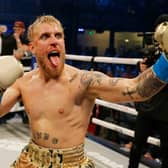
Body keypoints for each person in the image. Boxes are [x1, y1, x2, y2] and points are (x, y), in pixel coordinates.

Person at [0, 15, 168, 168]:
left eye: (58, 36)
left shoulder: (84, 82)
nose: (54, 41)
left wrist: (167, 58)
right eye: (45, 36)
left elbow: (136, 89)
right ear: (33, 47)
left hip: (72, 163)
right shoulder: (23, 82)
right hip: (30, 160)